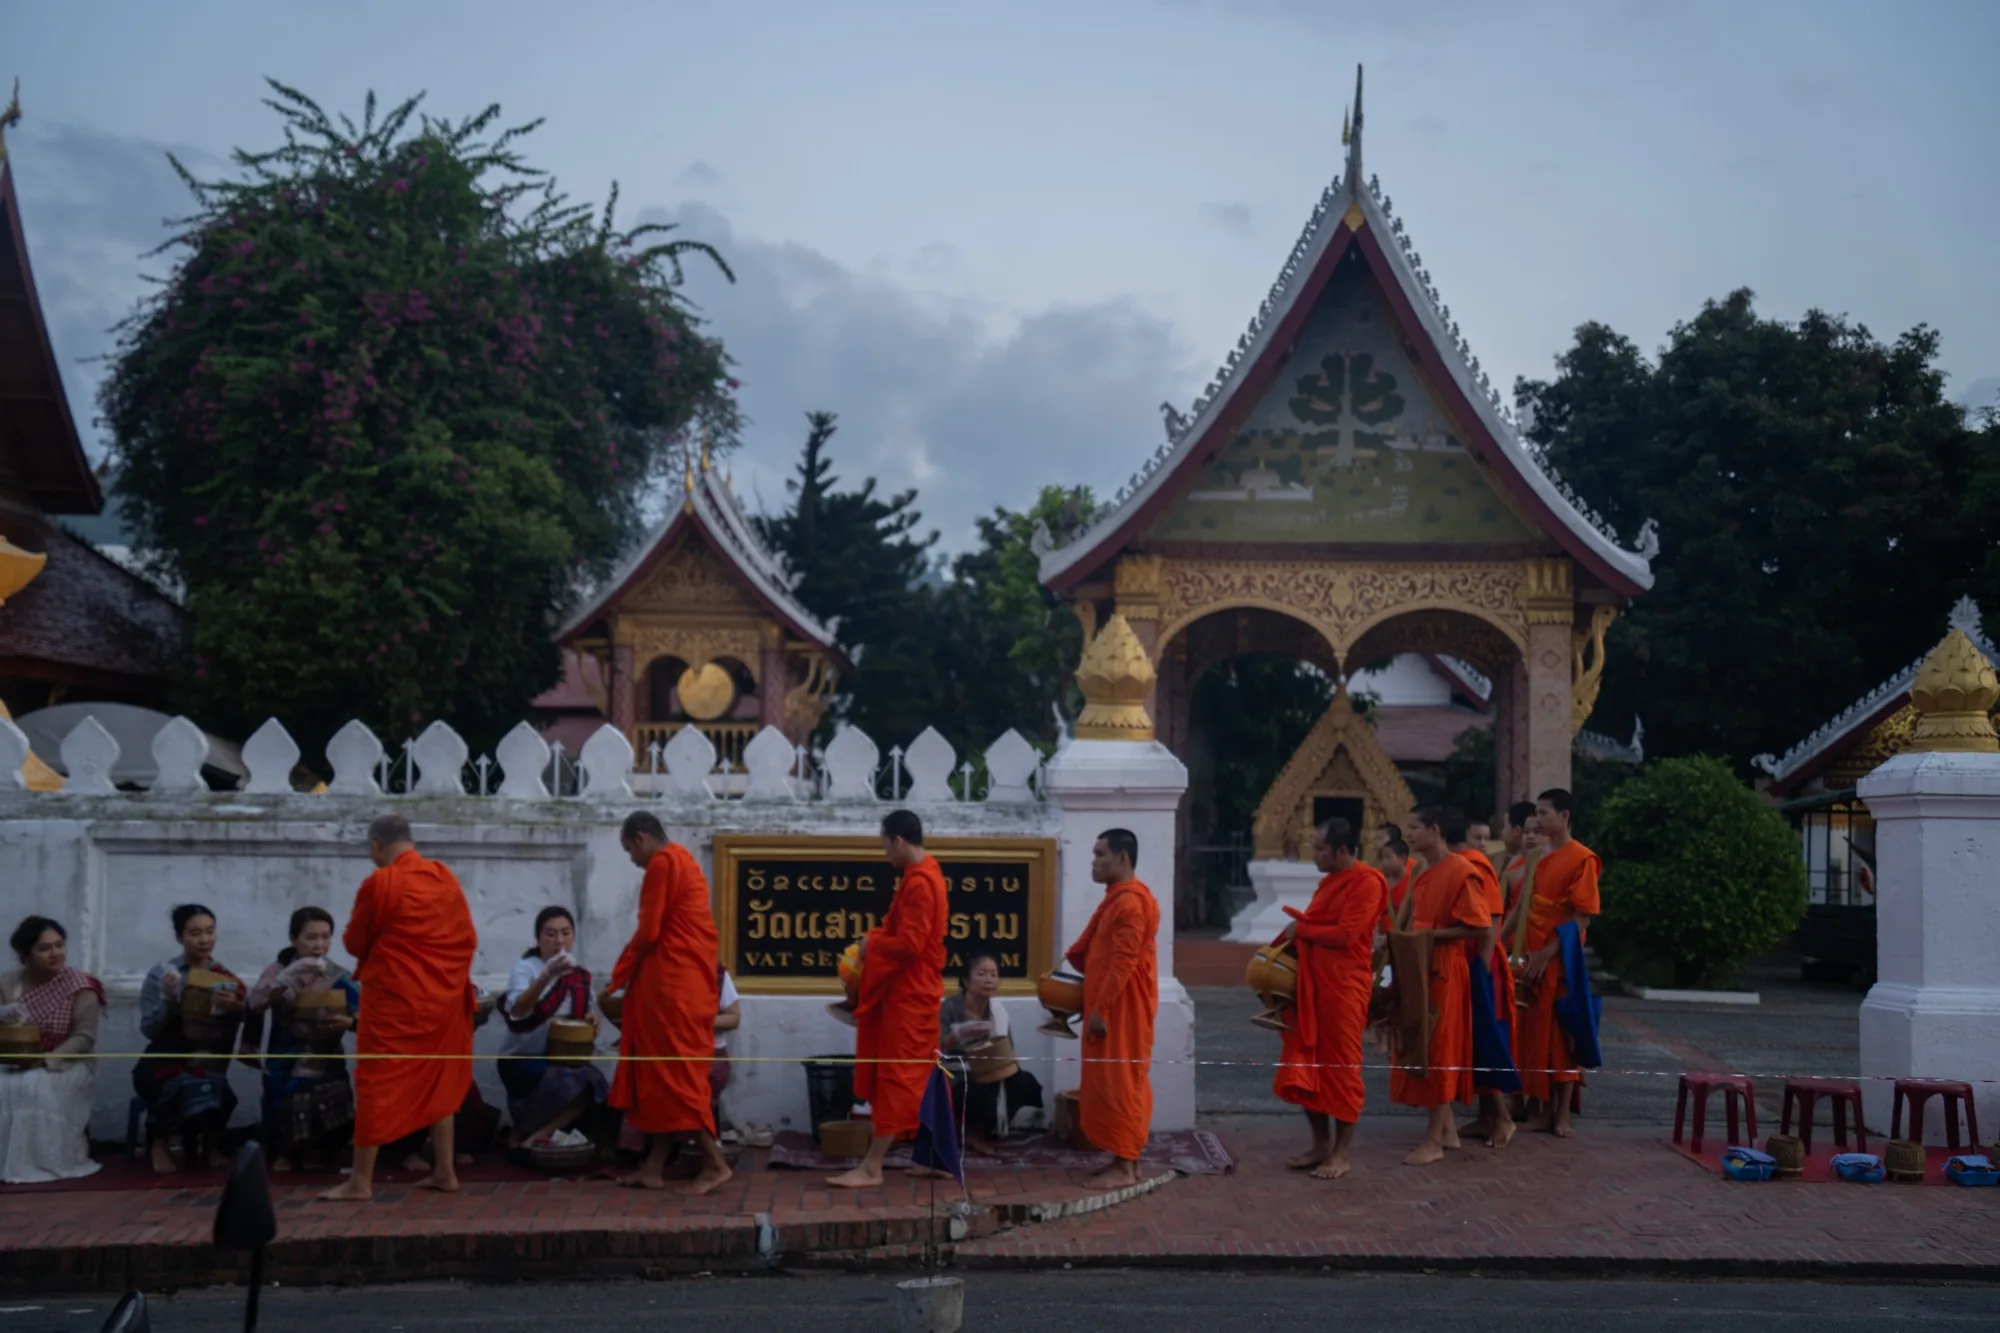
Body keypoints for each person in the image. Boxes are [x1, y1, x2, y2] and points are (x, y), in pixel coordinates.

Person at [320, 814, 478, 1202]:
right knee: (438, 1077)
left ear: (376, 846)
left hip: (396, 1001)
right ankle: (445, 1171)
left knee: (376, 1081)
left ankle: (360, 1181)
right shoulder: (443, 878)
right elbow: (466, 938)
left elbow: (355, 943)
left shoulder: (381, 882)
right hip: (442, 1001)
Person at [608, 811, 729, 1194]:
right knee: (665, 1074)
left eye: (629, 850)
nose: (631, 859)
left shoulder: (662, 863)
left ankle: (715, 1164)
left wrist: (618, 976)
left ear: (642, 838)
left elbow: (648, 931)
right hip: (685, 984)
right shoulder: (684, 860)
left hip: (673, 989)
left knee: (677, 1078)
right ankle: (653, 1166)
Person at [830, 809, 949, 1190]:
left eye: (884, 845)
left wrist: (872, 944)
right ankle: (939, 1156)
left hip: (910, 994)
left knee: (900, 1076)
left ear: (898, 840)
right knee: (924, 1073)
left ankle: (872, 1166)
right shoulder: (922, 874)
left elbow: (912, 944)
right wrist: (877, 937)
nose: (884, 854)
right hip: (912, 991)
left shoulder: (920, 882)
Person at [1272, 819, 1387, 1180]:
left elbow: (1347, 934)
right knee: (1306, 1064)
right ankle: (1321, 1144)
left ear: (1341, 850)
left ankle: (1341, 1153)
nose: (1315, 854)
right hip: (1312, 986)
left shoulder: (1368, 882)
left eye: (1320, 848)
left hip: (1344, 989)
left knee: (1341, 1069)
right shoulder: (1328, 882)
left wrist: (1300, 929)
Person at [1387, 808, 1487, 1166]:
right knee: (1422, 1046)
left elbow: (1479, 927)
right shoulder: (1424, 873)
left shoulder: (1462, 871)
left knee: (1439, 1050)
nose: (1409, 834)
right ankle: (1448, 1130)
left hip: (1444, 969)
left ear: (1434, 830)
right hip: (1419, 967)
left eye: (1414, 828)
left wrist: (1430, 936)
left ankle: (1433, 1141)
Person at [1063, 828, 1160, 1190]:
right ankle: (1126, 1161)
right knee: (1116, 1080)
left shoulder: (1131, 903)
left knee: (1121, 1082)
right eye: (1093, 853)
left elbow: (1124, 964)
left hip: (1120, 1011)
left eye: (1101, 854)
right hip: (1112, 1007)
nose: (1094, 861)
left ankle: (1125, 1165)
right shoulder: (1119, 898)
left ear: (1122, 858)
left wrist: (1101, 1011)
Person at [243, 907, 359, 1172]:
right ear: (294, 939)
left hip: (325, 1056)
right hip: (285, 1055)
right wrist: (284, 982)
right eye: (310, 938)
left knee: (330, 1099)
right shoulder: (277, 970)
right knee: (285, 1100)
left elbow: (366, 1014)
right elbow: (254, 1006)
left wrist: (349, 1022)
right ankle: (283, 1152)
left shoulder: (339, 976)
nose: (319, 945)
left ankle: (317, 1151)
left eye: (325, 937)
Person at [1515, 788, 1602, 1138]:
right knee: (1532, 1034)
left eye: (1544, 812)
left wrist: (1548, 952)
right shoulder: (1537, 857)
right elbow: (1522, 909)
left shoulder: (1582, 858)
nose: (1537, 819)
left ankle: (1562, 1112)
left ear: (1564, 816)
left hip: (1559, 958)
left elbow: (1583, 917)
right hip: (1529, 953)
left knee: (1563, 1038)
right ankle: (1537, 1108)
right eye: (1536, 813)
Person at [136, 903, 243, 1173]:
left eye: (210, 931)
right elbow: (148, 1028)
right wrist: (169, 1000)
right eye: (195, 933)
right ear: (179, 937)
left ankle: (211, 1147)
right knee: (180, 1084)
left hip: (206, 1058)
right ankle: (159, 1144)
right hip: (165, 1057)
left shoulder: (224, 976)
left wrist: (235, 1009)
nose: (205, 940)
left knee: (221, 1090)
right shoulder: (162, 974)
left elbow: (238, 1020)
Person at [0, 916, 107, 1183]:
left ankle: (46, 1163)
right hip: (14, 1062)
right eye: (44, 948)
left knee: (34, 1087)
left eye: (59, 945)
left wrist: (47, 1060)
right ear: (25, 955)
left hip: (66, 1063)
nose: (55, 953)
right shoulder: (8, 985)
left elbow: (84, 1038)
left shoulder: (81, 986)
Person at [499, 907, 608, 1150]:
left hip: (561, 1058)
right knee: (570, 1079)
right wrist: (547, 975)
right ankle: (523, 1132)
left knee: (592, 1083)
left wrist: (592, 1019)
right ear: (538, 939)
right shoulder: (526, 968)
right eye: (550, 934)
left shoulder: (579, 975)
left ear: (573, 937)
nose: (559, 941)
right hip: (521, 1058)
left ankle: (535, 1135)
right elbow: (517, 1011)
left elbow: (588, 1013)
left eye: (565, 933)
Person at [1444, 813, 1519, 1149]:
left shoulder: (1474, 865)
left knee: (1485, 1038)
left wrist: (1484, 964)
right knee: (1470, 1042)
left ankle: (1504, 1118)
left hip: (1480, 964)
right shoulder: (1454, 864)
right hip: (1462, 962)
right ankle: (1487, 1115)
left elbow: (1493, 915)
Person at [939, 951, 1045, 1156]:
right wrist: (960, 1034)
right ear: (966, 981)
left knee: (1024, 1082)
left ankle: (985, 1129)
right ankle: (969, 1130)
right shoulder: (950, 1007)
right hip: (956, 1072)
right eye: (982, 974)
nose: (989, 980)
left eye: (994, 974)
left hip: (991, 1071)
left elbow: (1007, 1050)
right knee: (975, 1090)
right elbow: (938, 1046)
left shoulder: (997, 1011)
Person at [711, 965, 740, 1137]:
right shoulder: (654, 971)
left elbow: (733, 1019)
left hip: (708, 1057)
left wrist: (692, 1022)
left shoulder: (716, 974)